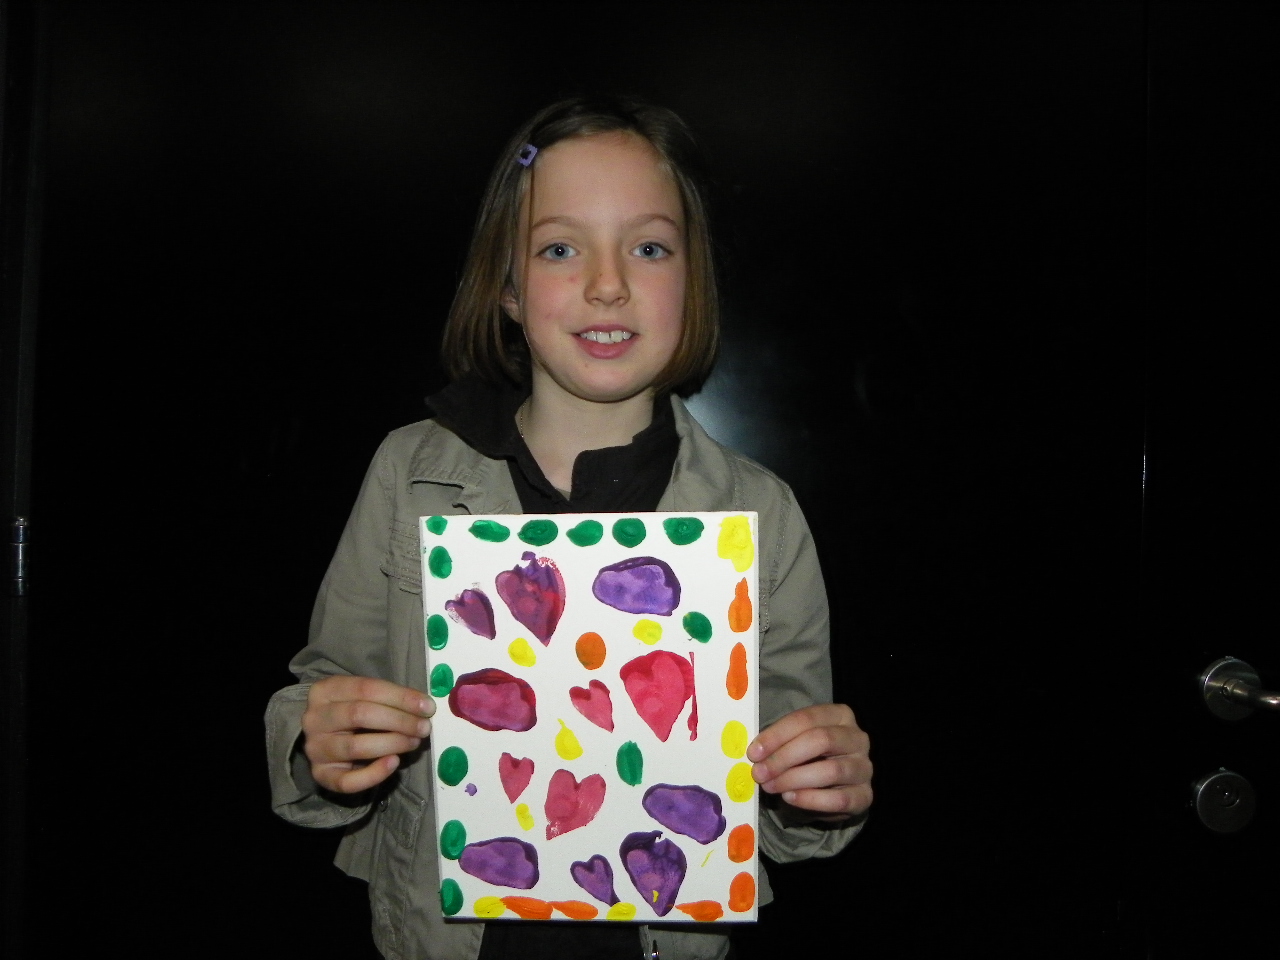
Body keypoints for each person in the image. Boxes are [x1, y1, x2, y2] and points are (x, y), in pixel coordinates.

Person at [265, 96, 872, 960]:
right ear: (508, 289)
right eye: (560, 248)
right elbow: (320, 694)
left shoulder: (760, 516)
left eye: (649, 247)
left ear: (693, 280)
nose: (607, 283)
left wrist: (816, 786)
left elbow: (781, 805)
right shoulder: (410, 476)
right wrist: (318, 744)